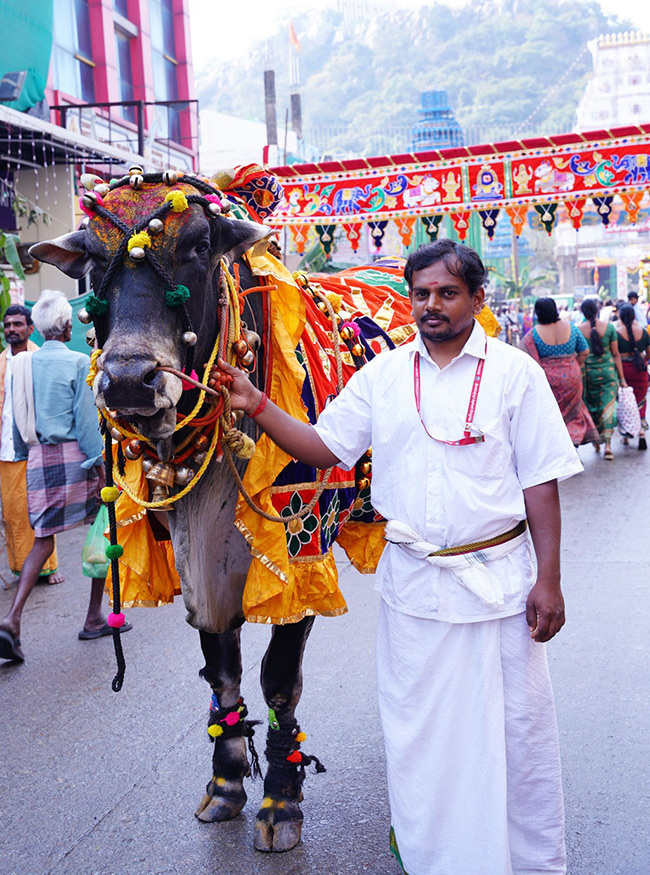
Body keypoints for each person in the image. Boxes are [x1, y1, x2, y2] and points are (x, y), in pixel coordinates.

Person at [219, 240, 583, 875]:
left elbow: (542, 481)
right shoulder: (384, 375)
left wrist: (548, 580)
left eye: (447, 293)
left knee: (510, 734)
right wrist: (259, 404)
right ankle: (435, 858)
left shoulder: (513, 372)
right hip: (414, 588)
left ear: (476, 298)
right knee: (422, 740)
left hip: (499, 589)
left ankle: (517, 860)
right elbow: (324, 447)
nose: (432, 306)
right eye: (421, 294)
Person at [0, 290, 131, 663]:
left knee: (42, 541)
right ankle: (94, 617)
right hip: (77, 458)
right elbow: (87, 422)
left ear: (37, 328)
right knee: (104, 533)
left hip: (39, 459)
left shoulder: (21, 365)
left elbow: (17, 417)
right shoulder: (78, 362)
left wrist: (28, 458)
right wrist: (100, 465)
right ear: (68, 325)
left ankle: (11, 618)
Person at [0, 305, 62, 585]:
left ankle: (48, 569)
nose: (12, 329)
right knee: (13, 512)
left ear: (30, 329)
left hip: (38, 447)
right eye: (8, 325)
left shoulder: (42, 360)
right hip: (6, 449)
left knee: (42, 508)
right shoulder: (1, 362)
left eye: (17, 324)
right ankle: (20, 568)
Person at [523, 297, 598, 447]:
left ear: (537, 313)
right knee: (574, 412)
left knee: (552, 413)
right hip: (572, 376)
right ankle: (573, 441)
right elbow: (584, 351)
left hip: (548, 380)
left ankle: (560, 447)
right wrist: (574, 365)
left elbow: (530, 361)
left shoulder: (533, 334)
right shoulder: (571, 327)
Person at [579, 297, 626, 460]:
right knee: (608, 407)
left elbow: (578, 355)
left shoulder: (578, 330)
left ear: (582, 313)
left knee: (593, 407)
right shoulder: (610, 328)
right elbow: (616, 354)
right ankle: (608, 445)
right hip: (608, 373)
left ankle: (596, 439)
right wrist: (622, 379)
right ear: (598, 310)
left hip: (588, 375)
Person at [613, 302, 650, 450]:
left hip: (624, 370)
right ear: (634, 316)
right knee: (640, 401)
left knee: (625, 402)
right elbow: (649, 353)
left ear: (620, 316)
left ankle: (626, 435)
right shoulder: (643, 331)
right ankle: (641, 433)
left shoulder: (616, 333)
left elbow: (614, 354)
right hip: (640, 371)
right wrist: (642, 360)